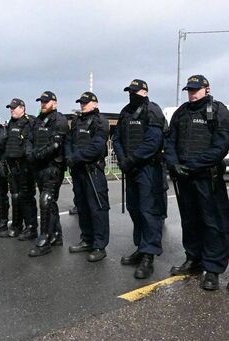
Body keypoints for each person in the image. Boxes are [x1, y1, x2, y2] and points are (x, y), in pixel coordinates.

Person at [164, 75, 229, 290]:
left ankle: (212, 268)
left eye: (196, 90)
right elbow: (170, 141)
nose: (192, 94)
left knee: (213, 223)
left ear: (207, 89)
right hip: (184, 177)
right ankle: (193, 259)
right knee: (190, 220)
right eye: (189, 90)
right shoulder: (181, 112)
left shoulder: (218, 111)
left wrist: (191, 166)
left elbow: (220, 147)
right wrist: (174, 165)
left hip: (206, 178)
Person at [112, 79, 168, 279]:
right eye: (129, 91)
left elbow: (153, 141)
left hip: (147, 169)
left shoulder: (152, 110)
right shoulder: (125, 112)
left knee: (148, 211)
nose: (131, 94)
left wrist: (132, 160)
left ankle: (149, 256)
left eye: (135, 91)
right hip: (130, 168)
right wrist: (122, 159)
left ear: (145, 92)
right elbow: (116, 138)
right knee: (134, 210)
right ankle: (140, 247)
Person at [65, 92, 110, 262]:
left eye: (86, 102)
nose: (83, 105)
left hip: (93, 171)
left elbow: (97, 147)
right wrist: (69, 156)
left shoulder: (101, 121)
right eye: (81, 103)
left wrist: (75, 157)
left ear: (95, 103)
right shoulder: (77, 121)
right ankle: (87, 239)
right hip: (78, 171)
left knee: (97, 208)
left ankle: (99, 245)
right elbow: (69, 141)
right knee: (82, 207)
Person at [27, 91, 69, 257]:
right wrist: (30, 153)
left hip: (53, 167)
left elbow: (55, 145)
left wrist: (36, 155)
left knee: (45, 200)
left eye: (46, 102)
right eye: (41, 102)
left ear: (55, 103)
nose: (43, 104)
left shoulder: (59, 120)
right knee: (50, 203)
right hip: (39, 168)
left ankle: (44, 238)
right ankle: (56, 235)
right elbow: (30, 139)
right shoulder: (38, 120)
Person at [3, 98, 38, 240]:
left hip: (25, 165)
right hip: (13, 165)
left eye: (14, 107)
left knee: (27, 197)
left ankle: (31, 228)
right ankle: (16, 226)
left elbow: (31, 143)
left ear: (22, 108)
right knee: (15, 196)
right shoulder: (11, 122)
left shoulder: (29, 121)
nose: (12, 110)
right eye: (10, 108)